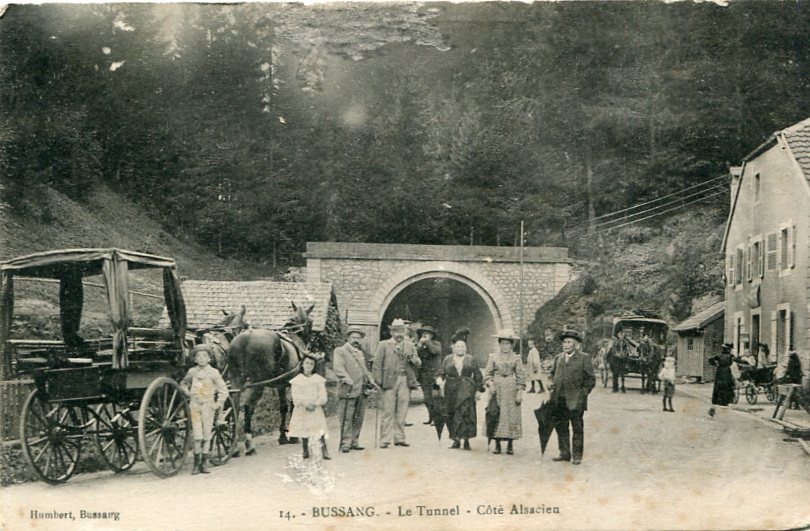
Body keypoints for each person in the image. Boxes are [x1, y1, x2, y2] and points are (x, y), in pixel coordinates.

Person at [549, 329, 595, 465]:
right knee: (561, 426)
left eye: (569, 342)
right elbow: (551, 374)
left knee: (577, 428)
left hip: (576, 400)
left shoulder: (584, 358)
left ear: (575, 344)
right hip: (559, 399)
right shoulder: (558, 358)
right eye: (564, 342)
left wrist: (583, 394)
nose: (566, 345)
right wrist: (550, 382)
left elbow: (590, 380)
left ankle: (577, 455)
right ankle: (564, 453)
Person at [372, 318, 420, 448]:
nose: (399, 334)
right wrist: (378, 381)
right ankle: (384, 439)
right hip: (389, 381)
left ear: (405, 332)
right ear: (392, 332)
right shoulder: (384, 345)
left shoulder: (409, 345)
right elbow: (377, 364)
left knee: (402, 411)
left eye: (401, 331)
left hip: (405, 380)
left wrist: (412, 358)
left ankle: (399, 438)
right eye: (396, 331)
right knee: (388, 411)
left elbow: (418, 362)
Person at [181, 345, 229, 475]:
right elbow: (184, 384)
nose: (201, 359)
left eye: (204, 356)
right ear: (195, 359)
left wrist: (217, 404)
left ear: (209, 359)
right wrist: (188, 394)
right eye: (198, 356)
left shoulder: (213, 372)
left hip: (208, 406)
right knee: (197, 436)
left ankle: (204, 464)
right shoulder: (192, 371)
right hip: (195, 406)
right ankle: (196, 465)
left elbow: (223, 391)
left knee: (207, 435)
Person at [333, 326, 378, 453]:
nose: (356, 340)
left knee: (359, 417)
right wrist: (346, 378)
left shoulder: (361, 353)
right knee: (346, 418)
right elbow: (338, 368)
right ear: (348, 338)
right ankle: (345, 443)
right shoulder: (340, 351)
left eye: (358, 338)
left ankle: (354, 441)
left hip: (361, 390)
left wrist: (371, 380)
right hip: (347, 389)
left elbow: (365, 370)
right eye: (353, 337)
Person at [436, 339, 484, 450]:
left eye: (462, 346)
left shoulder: (471, 359)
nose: (460, 348)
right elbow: (441, 372)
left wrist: (478, 390)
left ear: (466, 348)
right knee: (452, 413)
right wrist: (439, 379)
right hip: (451, 390)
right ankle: (456, 440)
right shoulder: (447, 359)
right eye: (458, 346)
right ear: (453, 348)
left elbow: (478, 375)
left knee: (466, 413)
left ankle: (466, 439)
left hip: (467, 388)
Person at [484, 329, 526, 455]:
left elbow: (520, 376)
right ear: (499, 344)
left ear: (511, 345)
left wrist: (519, 392)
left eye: (508, 344)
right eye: (503, 343)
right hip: (496, 390)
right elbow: (487, 374)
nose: (505, 346)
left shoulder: (516, 358)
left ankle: (510, 444)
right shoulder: (493, 357)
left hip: (511, 389)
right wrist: (490, 384)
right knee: (496, 414)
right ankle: (496, 444)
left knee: (510, 416)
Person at [288, 353, 330, 460]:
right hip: (302, 408)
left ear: (314, 366)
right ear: (302, 365)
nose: (309, 366)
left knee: (319, 428)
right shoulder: (297, 380)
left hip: (315, 408)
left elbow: (323, 396)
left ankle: (324, 449)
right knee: (303, 427)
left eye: (311, 364)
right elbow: (296, 397)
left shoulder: (318, 379)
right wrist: (305, 403)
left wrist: (315, 403)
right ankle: (305, 449)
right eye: (307, 363)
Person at [415, 324, 443, 425]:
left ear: (431, 335)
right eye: (423, 334)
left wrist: (427, 342)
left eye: (427, 334)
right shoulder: (421, 345)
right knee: (427, 398)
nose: (424, 335)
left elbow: (434, 351)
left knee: (435, 397)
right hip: (424, 375)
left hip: (435, 374)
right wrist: (419, 345)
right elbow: (415, 355)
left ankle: (437, 419)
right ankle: (431, 417)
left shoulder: (436, 344)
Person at [709, 343, 735, 409]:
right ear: (729, 350)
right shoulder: (731, 356)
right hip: (726, 371)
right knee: (727, 385)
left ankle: (717, 400)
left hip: (720, 371)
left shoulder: (719, 355)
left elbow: (710, 359)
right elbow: (736, 361)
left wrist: (715, 364)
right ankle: (726, 401)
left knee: (719, 385)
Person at [607, 329, 631, 393]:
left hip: (623, 358)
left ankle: (623, 387)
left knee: (623, 374)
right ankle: (615, 388)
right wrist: (617, 354)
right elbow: (614, 349)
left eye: (622, 336)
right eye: (620, 336)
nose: (621, 337)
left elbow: (628, 349)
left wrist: (625, 354)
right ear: (618, 336)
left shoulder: (626, 342)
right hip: (616, 359)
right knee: (615, 374)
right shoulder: (615, 342)